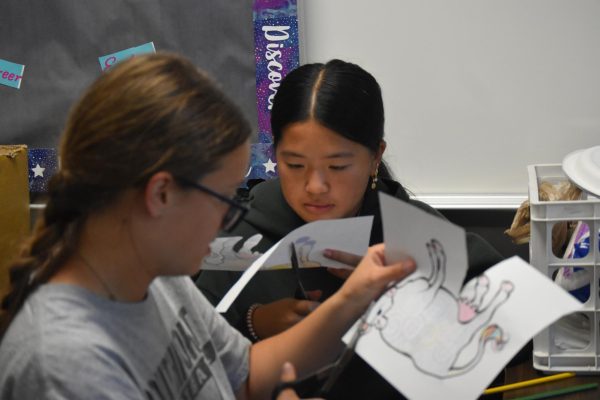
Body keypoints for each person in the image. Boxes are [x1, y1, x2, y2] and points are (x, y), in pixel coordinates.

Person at [0, 53, 417, 399]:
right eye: (222, 199)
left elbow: (247, 372)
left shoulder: (156, 277)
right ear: (160, 195)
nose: (229, 220)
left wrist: (355, 299)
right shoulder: (65, 365)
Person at [195, 59, 505, 399]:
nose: (315, 186)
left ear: (375, 157)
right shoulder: (236, 237)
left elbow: (502, 347)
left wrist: (406, 303)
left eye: (338, 166)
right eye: (295, 164)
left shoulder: (416, 236)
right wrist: (253, 324)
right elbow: (187, 363)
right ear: (274, 156)